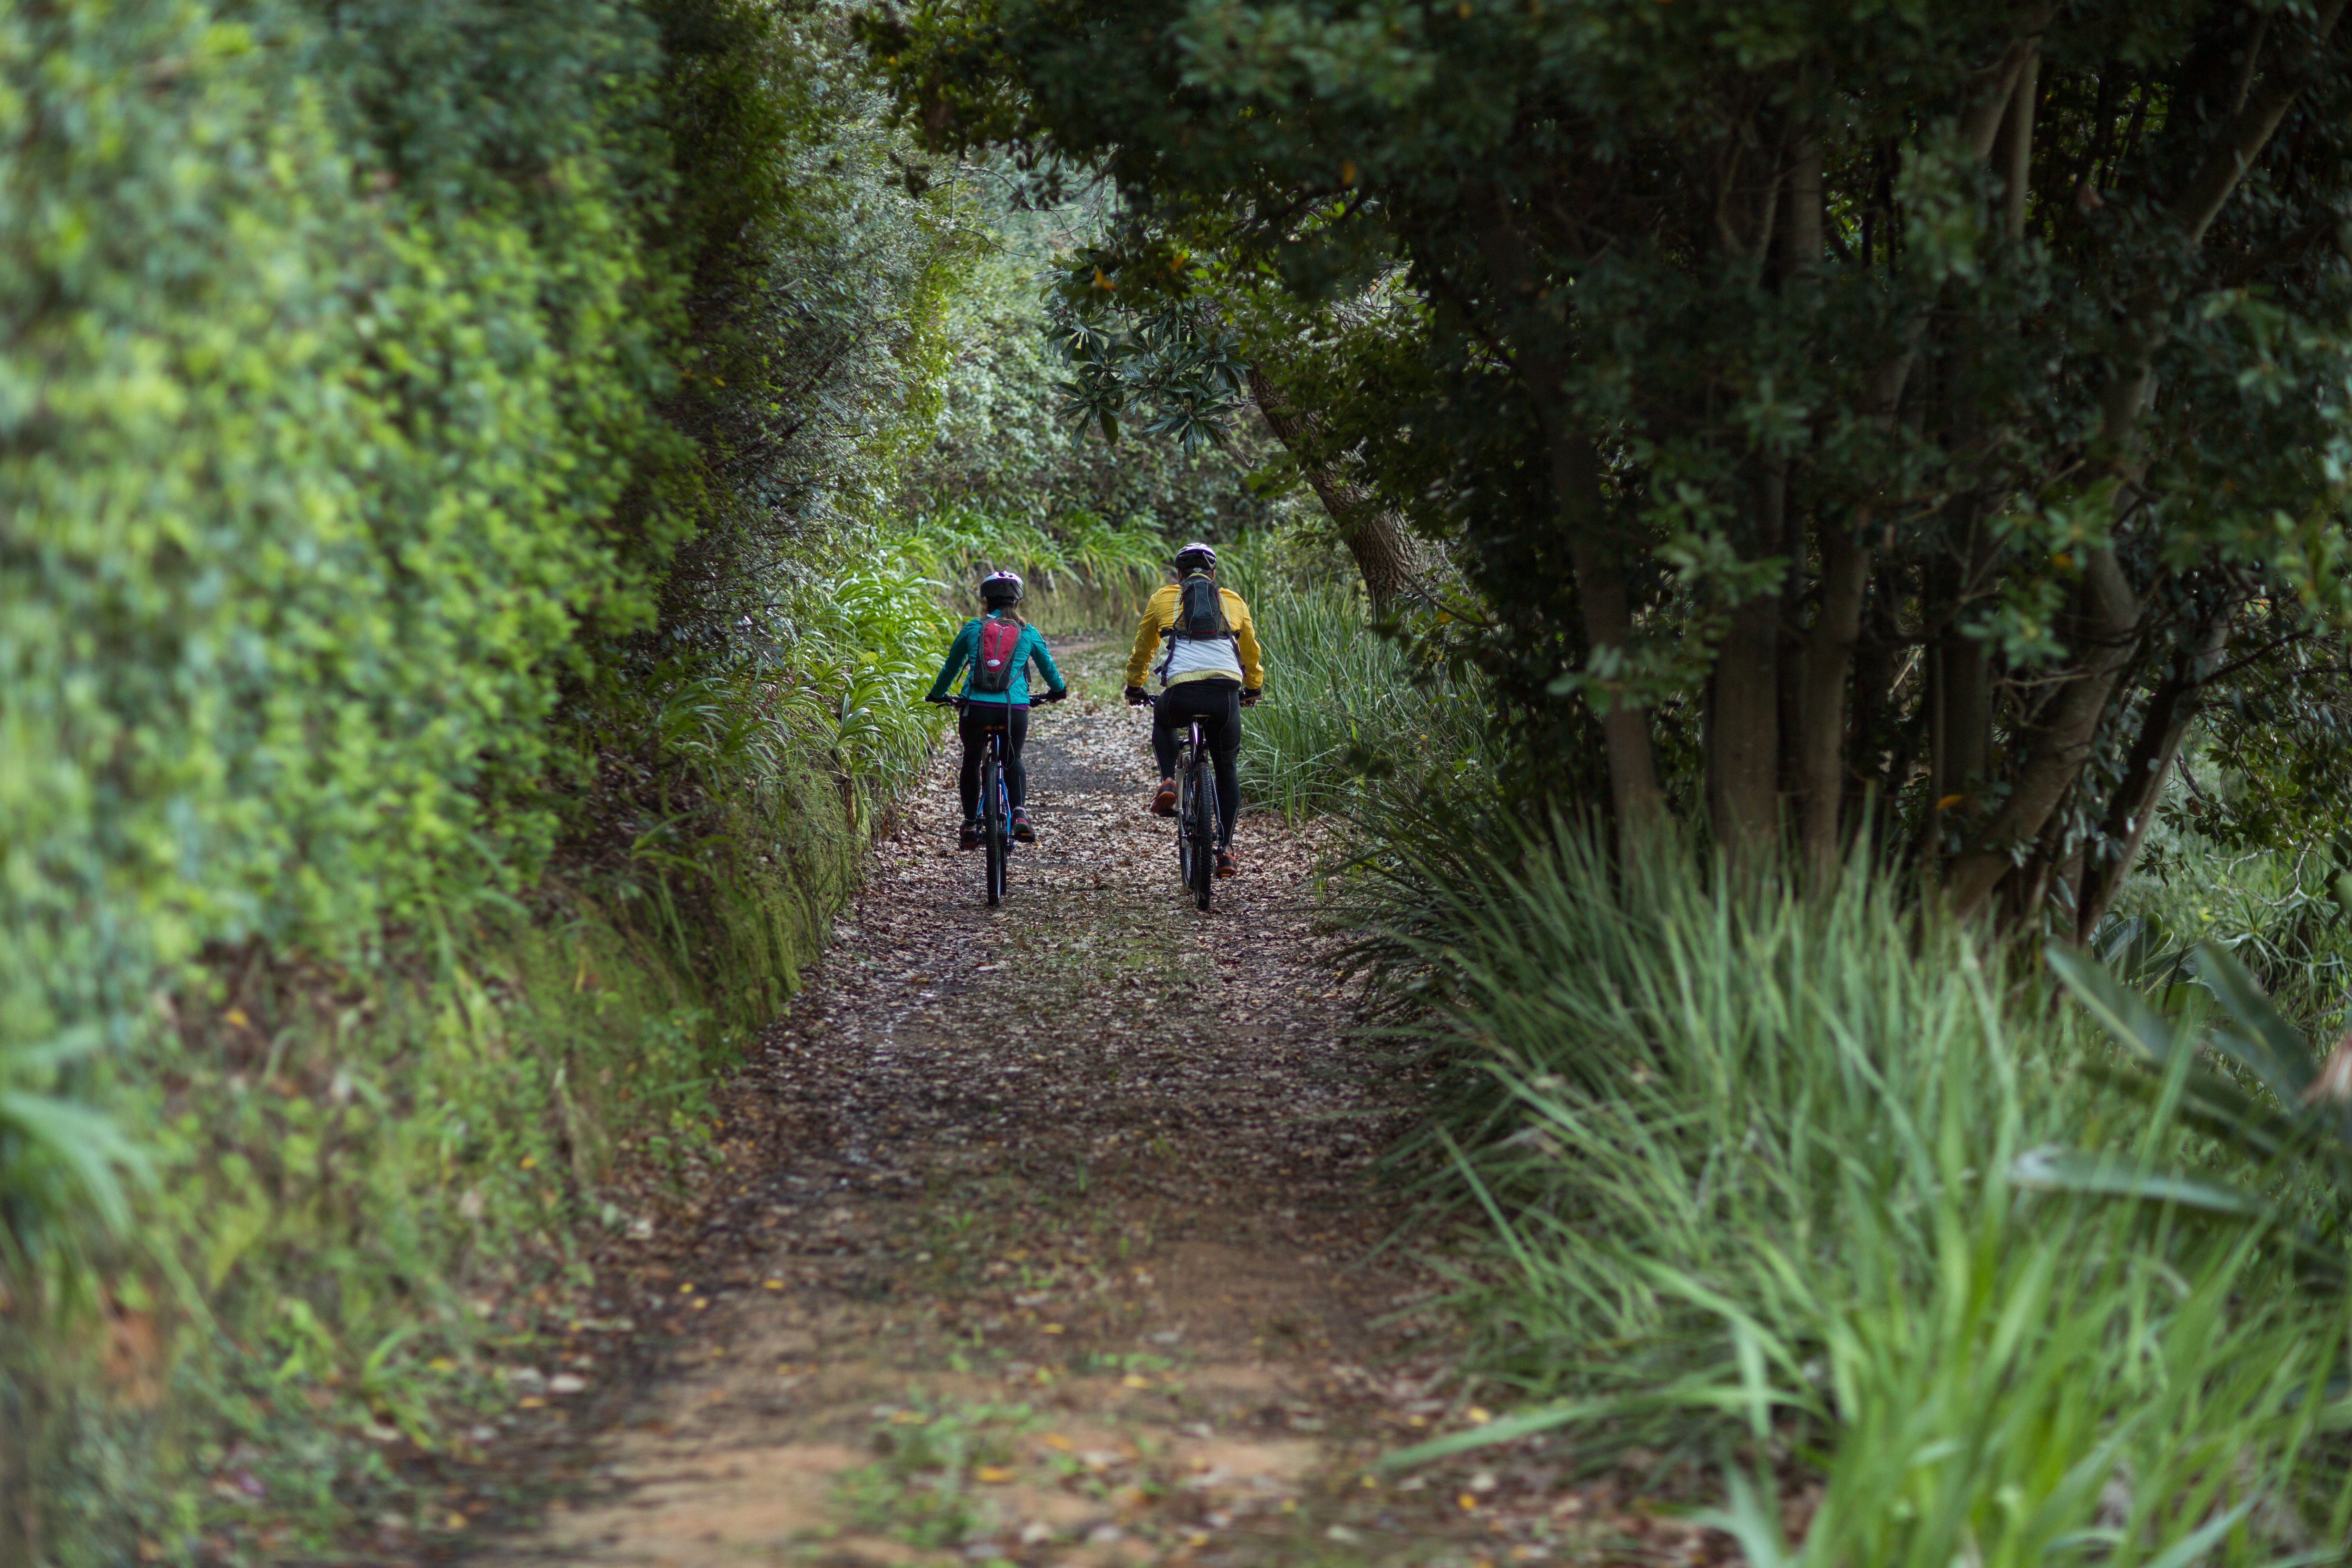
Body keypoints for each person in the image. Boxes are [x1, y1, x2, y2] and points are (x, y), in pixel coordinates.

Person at [1123, 541, 1263, 877]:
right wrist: (1254, 687)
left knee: (1164, 718)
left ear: (1178, 574)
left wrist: (1135, 684)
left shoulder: (1163, 598)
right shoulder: (1233, 601)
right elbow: (1251, 652)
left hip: (1182, 692)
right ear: (1214, 574)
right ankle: (1227, 848)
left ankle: (1170, 780)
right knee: (1226, 767)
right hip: (1225, 694)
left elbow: (1144, 646)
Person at [925, 570, 1067, 851]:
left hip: (976, 709)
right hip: (1014, 711)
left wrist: (937, 695)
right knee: (1013, 759)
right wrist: (1058, 691)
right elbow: (1050, 669)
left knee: (971, 760)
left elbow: (950, 668)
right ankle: (1020, 814)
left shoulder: (972, 628)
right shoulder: (1028, 632)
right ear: (1018, 601)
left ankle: (969, 824)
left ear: (986, 601)